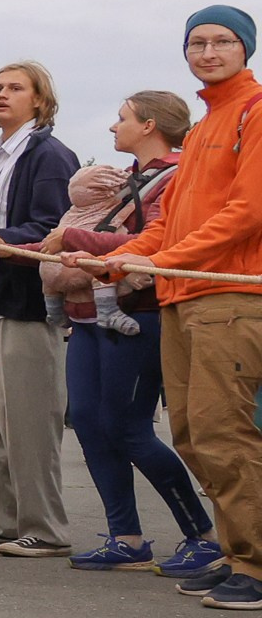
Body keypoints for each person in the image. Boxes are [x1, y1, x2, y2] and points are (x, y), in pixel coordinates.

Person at [71, 9, 262, 608]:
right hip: (182, 298)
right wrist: (114, 259)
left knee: (223, 432)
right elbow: (169, 225)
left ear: (245, 49)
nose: (208, 51)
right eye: (196, 43)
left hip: (229, 295)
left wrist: (165, 257)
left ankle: (254, 566)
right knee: (192, 435)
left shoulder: (254, 112)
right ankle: (235, 553)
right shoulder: (205, 125)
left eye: (222, 41)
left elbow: (249, 211)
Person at [41, 105, 218, 574]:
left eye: (122, 117)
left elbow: (156, 242)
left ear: (150, 125)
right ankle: (126, 537)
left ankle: (202, 534)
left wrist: (73, 239)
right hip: (85, 317)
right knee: (89, 423)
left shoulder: (176, 175)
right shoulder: (123, 179)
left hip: (138, 316)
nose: (112, 126)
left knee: (129, 428)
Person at [0, 61, 79, 557]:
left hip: (23, 306)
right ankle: (2, 519)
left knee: (27, 424)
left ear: (40, 99)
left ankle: (44, 529)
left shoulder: (48, 154)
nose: (2, 95)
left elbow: (52, 227)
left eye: (15, 88)